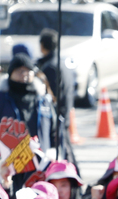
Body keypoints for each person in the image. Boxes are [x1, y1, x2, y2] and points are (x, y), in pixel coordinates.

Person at [0, 50, 57, 154]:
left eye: (27, 70)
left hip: (40, 166)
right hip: (6, 167)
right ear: (10, 74)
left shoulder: (43, 102)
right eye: (19, 70)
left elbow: (55, 133)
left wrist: (53, 158)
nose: (24, 74)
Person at [36, 29, 75, 164]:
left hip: (57, 115)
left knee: (63, 152)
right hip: (65, 110)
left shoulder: (49, 67)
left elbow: (51, 95)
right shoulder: (63, 62)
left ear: (42, 45)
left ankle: (74, 180)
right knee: (66, 149)